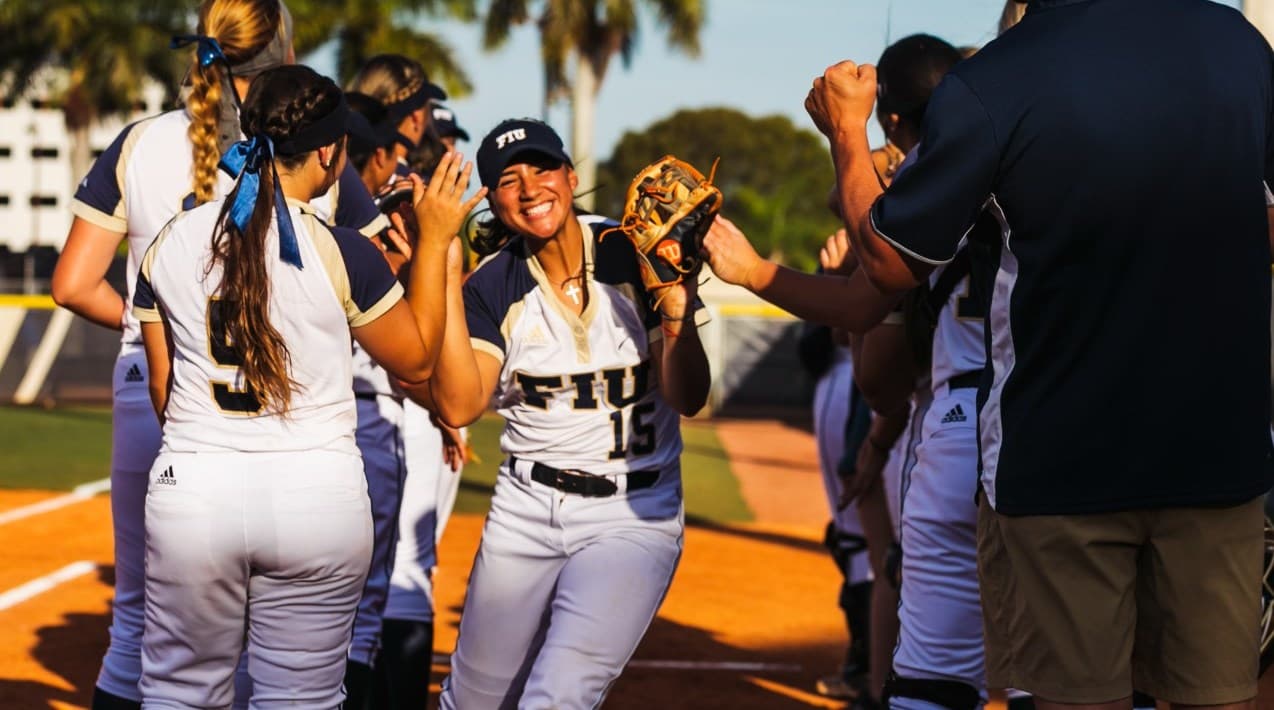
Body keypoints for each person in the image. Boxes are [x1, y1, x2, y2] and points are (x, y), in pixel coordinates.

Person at [704, 1, 1274, 708]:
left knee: (997, 682)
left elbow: (878, 279)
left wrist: (845, 138)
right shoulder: (1231, 41)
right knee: (1208, 694)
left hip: (1038, 444)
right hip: (1213, 442)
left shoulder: (1000, 85)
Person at [48, 2, 374, 707]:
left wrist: (159, 325)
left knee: (140, 630)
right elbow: (377, 275)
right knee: (281, 652)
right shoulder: (305, 142)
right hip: (286, 417)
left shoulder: (141, 141)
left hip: (156, 392)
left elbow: (71, 285)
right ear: (284, 49)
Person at [130, 63, 485, 707]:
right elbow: (419, 362)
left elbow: (164, 391)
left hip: (195, 491)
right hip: (315, 497)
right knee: (301, 697)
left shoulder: (170, 241)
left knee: (180, 691)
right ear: (328, 152)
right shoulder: (342, 250)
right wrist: (435, 243)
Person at [423, 118, 710, 708]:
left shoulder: (634, 253)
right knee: (471, 700)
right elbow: (457, 402)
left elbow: (689, 396)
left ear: (571, 176)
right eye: (508, 179)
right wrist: (446, 269)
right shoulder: (493, 287)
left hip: (633, 514)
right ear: (492, 201)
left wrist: (675, 305)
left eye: (542, 168)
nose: (529, 189)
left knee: (557, 695)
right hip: (525, 510)